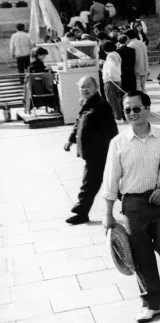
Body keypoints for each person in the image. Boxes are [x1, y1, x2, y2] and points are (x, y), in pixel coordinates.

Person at [100, 91, 160, 322]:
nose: (132, 113)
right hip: (133, 205)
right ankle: (151, 303)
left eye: (137, 108)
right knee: (141, 256)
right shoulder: (118, 143)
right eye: (127, 110)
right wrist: (108, 214)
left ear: (147, 109)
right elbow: (111, 180)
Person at [63, 76, 118, 225]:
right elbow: (78, 122)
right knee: (108, 182)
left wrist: (115, 150)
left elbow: (111, 130)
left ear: (96, 87)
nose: (85, 89)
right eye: (82, 87)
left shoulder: (101, 105)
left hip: (100, 153)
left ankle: (81, 212)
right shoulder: (85, 102)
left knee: (90, 184)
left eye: (88, 86)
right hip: (91, 153)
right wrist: (70, 140)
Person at [101, 41, 124, 120]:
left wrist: (108, 74)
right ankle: (119, 116)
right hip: (117, 79)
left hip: (110, 80)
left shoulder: (110, 56)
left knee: (112, 100)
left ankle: (117, 117)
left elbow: (111, 66)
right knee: (116, 99)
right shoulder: (116, 54)